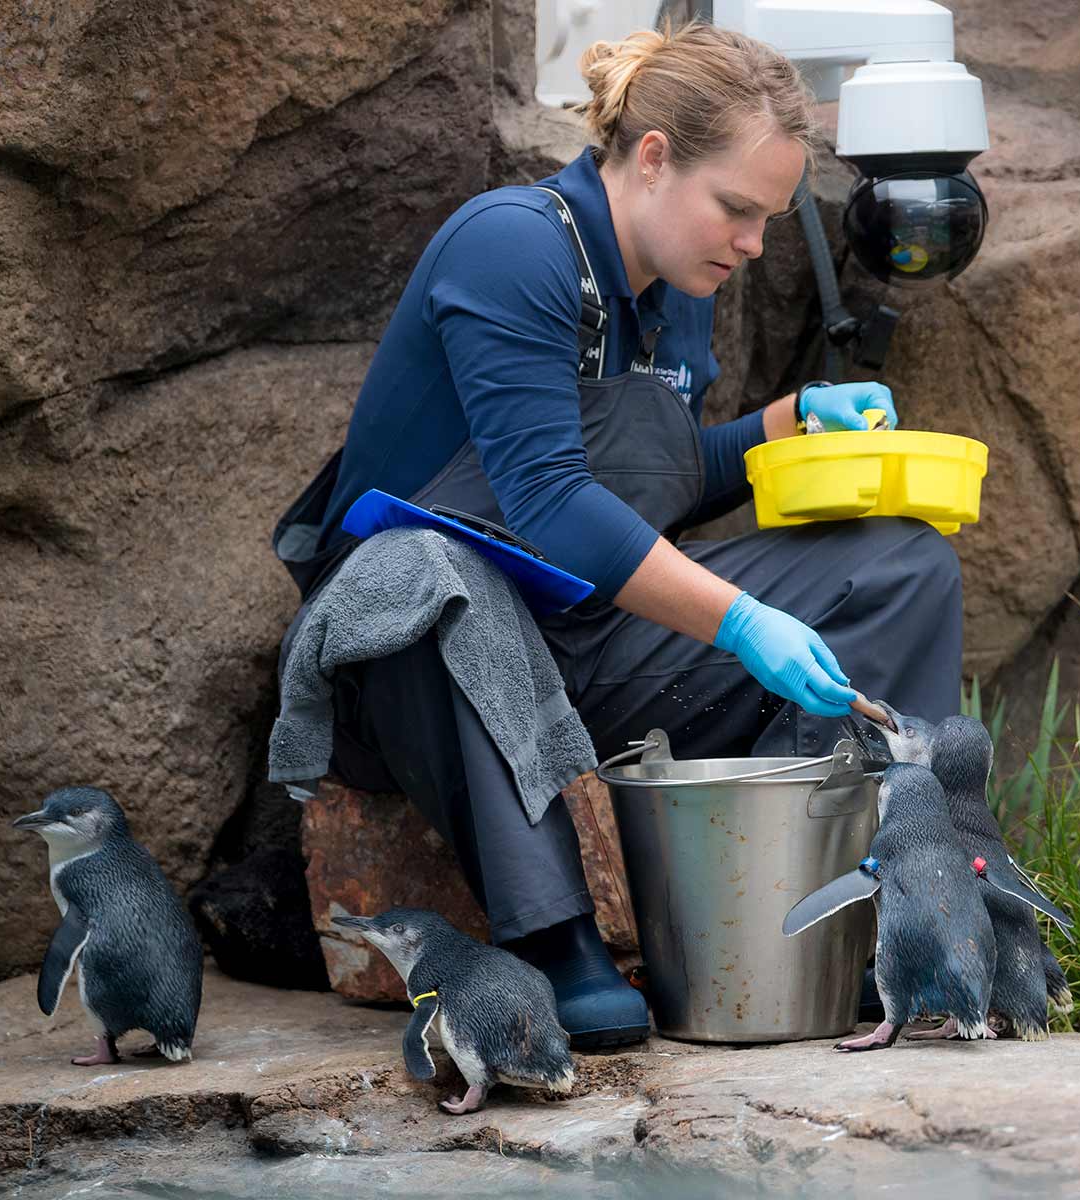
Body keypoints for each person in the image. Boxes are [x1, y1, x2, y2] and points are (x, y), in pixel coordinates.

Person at [271, 21, 963, 1048]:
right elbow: (550, 500)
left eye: (769, 219)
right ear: (650, 159)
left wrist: (795, 420)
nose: (753, 244)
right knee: (423, 572)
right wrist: (740, 624)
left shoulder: (676, 292)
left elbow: (656, 487)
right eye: (737, 208)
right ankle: (555, 938)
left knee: (903, 564)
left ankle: (834, 916)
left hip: (585, 638)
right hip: (421, 667)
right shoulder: (512, 245)